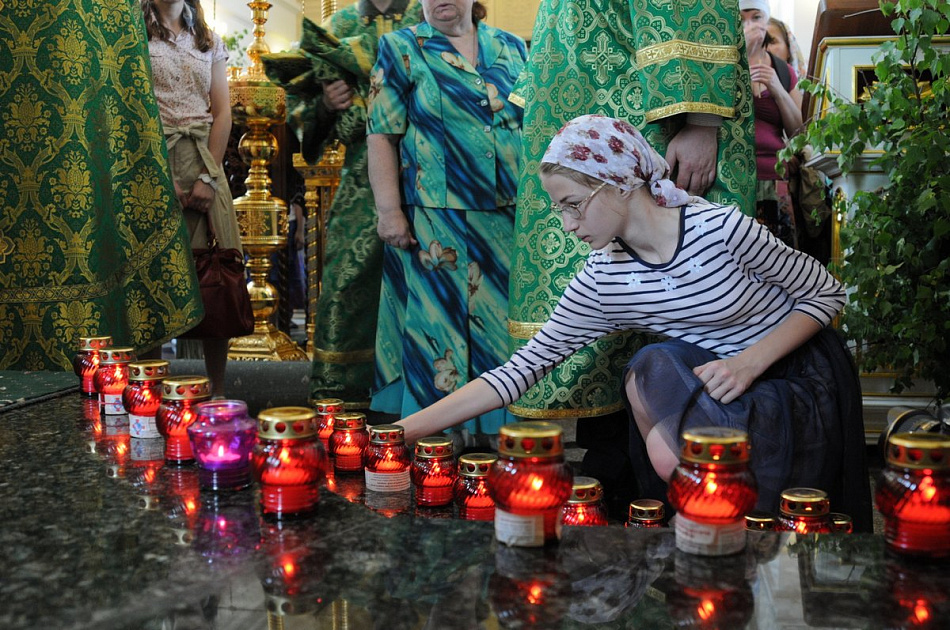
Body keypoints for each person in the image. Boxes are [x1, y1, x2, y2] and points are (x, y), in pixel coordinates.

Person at [397, 115, 873, 532]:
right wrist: (398, 435)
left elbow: (827, 293)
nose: (566, 223)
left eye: (573, 203)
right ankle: (710, 530)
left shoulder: (722, 230)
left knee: (659, 370)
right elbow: (520, 371)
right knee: (650, 365)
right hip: (721, 388)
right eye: (558, 208)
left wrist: (749, 363)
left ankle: (741, 531)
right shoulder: (602, 279)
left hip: (792, 372)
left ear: (619, 182)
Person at [504, 0, 756, 511]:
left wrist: (702, 119)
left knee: (672, 297)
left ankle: (677, 472)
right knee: (604, 298)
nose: (568, 223)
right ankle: (619, 460)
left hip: (646, 115)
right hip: (591, 98)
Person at [0, 0, 203, 370]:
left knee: (211, 268)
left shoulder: (200, 37)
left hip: (193, 160)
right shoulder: (132, 24)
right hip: (161, 154)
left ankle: (159, 381)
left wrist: (205, 173)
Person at [367, 0, 527, 441]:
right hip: (435, 221)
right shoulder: (400, 47)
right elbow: (381, 133)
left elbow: (534, 125)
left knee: (500, 330)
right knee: (439, 331)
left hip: (507, 215)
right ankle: (439, 443)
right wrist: (389, 210)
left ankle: (501, 439)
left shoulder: (512, 47)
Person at [263, 1, 424, 408]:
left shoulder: (428, 14)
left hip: (429, 173)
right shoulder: (340, 23)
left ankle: (423, 391)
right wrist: (326, 102)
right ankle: (345, 397)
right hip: (363, 179)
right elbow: (301, 105)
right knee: (349, 280)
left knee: (425, 279)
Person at [143, 0, 243, 397]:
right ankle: (147, 391)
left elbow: (223, 115)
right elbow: (133, 110)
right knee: (151, 278)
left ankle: (216, 393)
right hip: (152, 157)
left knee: (216, 273)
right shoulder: (134, 36)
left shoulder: (208, 40)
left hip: (204, 157)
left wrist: (208, 175)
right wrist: (159, 175)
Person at [742, 0, 804, 247]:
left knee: (780, 261)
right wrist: (743, 57)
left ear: (766, 22)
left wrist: (777, 88)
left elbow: (799, 131)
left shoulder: (782, 69)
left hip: (775, 176)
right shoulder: (722, 67)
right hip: (735, 176)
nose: (749, 25)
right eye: (741, 18)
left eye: (756, 17)